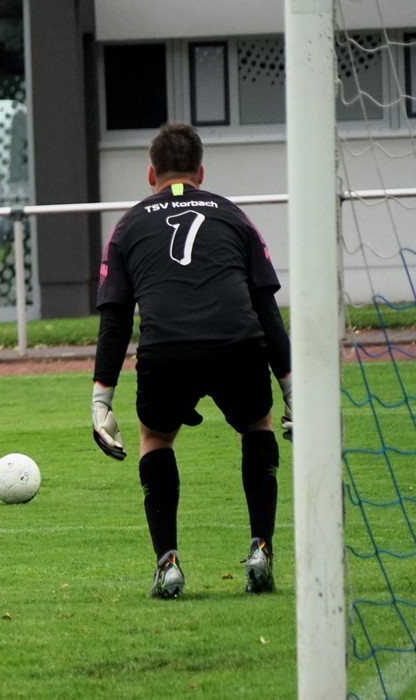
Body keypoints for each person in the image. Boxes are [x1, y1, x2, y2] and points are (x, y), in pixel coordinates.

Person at [90, 122, 292, 599]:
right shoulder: (234, 216)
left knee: (156, 437)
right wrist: (291, 388)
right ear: (201, 172)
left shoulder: (128, 226)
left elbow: (115, 320)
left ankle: (168, 565)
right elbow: (266, 308)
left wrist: (101, 400)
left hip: (167, 349)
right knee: (257, 426)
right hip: (237, 341)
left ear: (150, 174)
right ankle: (261, 550)